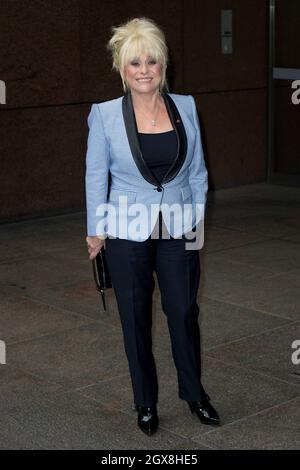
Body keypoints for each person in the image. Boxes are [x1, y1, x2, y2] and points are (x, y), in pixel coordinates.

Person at [85, 17, 220, 436]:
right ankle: (145, 402)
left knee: (183, 311)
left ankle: (194, 394)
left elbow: (197, 171)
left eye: (152, 61)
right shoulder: (105, 115)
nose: (144, 70)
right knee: (135, 318)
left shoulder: (187, 105)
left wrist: (195, 217)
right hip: (127, 231)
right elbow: (96, 175)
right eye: (134, 63)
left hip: (179, 228)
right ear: (121, 68)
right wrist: (96, 230)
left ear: (163, 64)